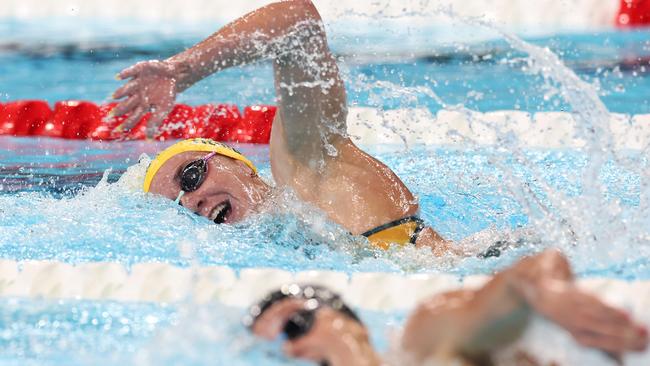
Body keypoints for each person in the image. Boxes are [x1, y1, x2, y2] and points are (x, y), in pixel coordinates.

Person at [111, 0, 453, 254]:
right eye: (178, 207)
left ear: (239, 163)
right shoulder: (280, 244)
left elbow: (299, 22)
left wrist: (184, 69)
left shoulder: (310, 169)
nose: (193, 202)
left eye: (191, 177)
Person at [247, 250, 649, 365]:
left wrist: (547, 291)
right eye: (272, 356)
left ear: (355, 325)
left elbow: (528, 272)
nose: (289, 350)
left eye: (296, 325)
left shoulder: (426, 339)